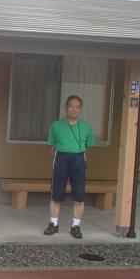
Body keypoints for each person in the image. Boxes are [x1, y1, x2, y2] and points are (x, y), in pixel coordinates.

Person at [44, 95, 95, 239]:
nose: (74, 109)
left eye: (77, 107)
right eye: (71, 106)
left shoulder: (86, 127)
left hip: (79, 159)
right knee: (56, 193)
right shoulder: (56, 125)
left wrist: (78, 156)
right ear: (66, 107)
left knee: (79, 194)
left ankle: (76, 226)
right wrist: (60, 157)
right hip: (61, 158)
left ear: (80, 109)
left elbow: (87, 147)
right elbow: (51, 146)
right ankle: (53, 224)